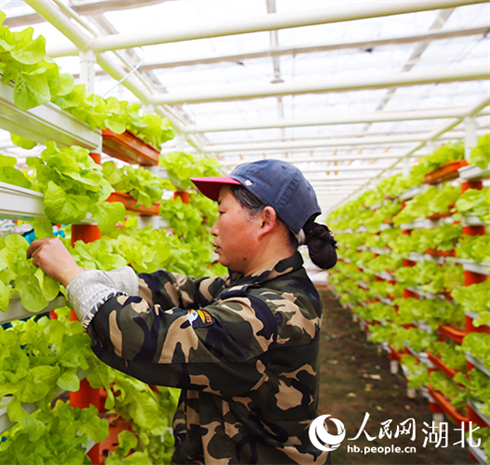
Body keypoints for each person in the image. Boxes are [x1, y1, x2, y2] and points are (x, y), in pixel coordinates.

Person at [26, 159, 338, 464]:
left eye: (222, 213)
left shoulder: (270, 313)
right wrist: (114, 280)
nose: (213, 228)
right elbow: (183, 291)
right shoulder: (262, 285)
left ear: (265, 221)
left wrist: (71, 274)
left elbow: (148, 335)